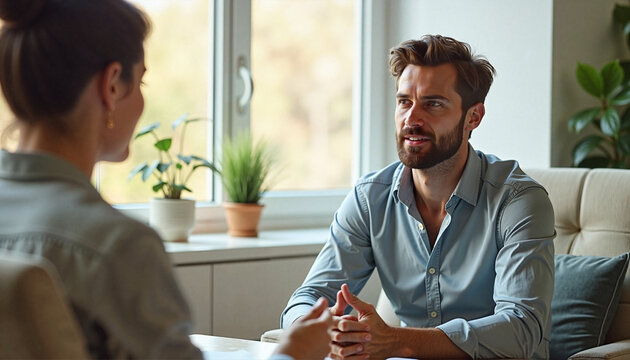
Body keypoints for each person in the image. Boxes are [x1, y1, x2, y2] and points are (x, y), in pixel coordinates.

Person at [0, 1, 332, 359]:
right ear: (111, 85)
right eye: (141, 80)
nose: (142, 99)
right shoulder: (120, 247)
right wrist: (292, 354)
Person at [281, 35, 556, 359]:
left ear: (473, 117)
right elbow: (309, 297)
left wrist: (396, 341)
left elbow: (520, 331)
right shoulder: (371, 199)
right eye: (404, 102)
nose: (411, 119)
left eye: (433, 103)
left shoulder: (519, 201)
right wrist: (327, 332)